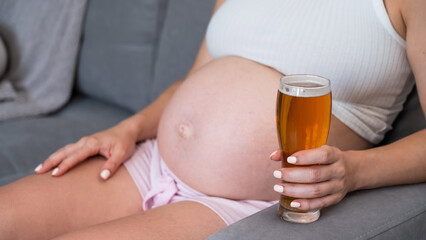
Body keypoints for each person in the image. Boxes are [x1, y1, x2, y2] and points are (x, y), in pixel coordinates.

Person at [1, 0, 425, 239]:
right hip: (149, 162)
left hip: (249, 199)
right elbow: (192, 82)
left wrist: (354, 172)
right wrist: (127, 129)